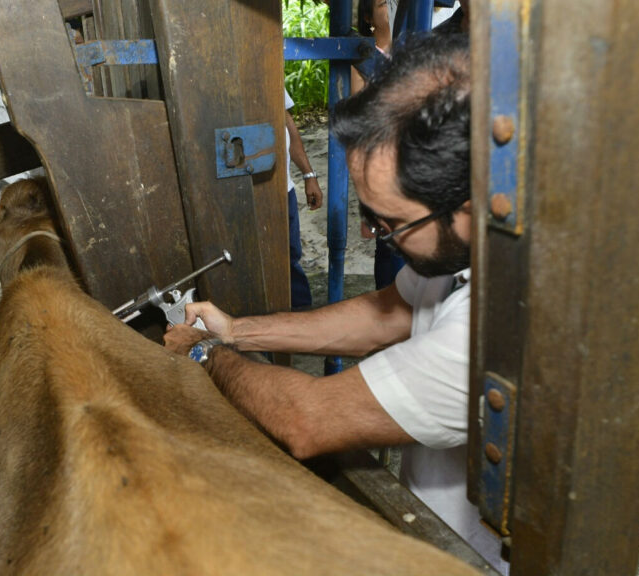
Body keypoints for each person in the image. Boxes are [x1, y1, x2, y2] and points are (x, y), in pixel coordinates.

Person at [166, 33, 508, 573]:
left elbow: (307, 422)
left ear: (465, 210)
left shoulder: (494, 328)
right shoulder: (468, 247)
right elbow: (384, 315)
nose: (377, 236)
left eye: (393, 223)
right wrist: (235, 330)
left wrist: (205, 355)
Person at [352, 0, 405, 291]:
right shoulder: (361, 58)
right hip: (383, 168)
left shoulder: (410, 50)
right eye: (383, 3)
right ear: (368, 16)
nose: (391, 7)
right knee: (391, 245)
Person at [284, 88, 323, 309]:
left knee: (290, 259)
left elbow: (288, 126)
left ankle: (301, 316)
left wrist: (309, 175)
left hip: (283, 189)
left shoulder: (268, 70)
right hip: (251, 193)